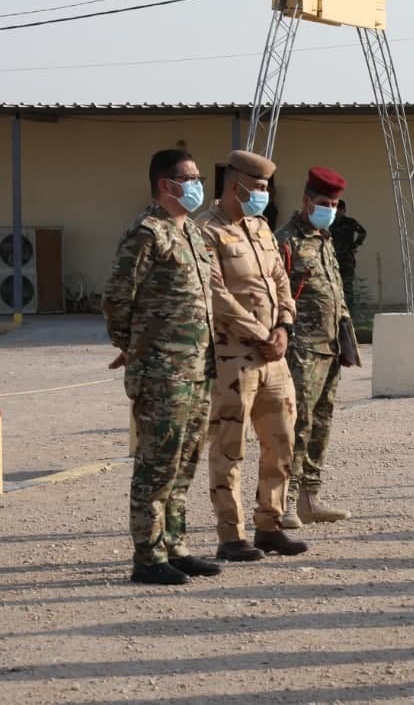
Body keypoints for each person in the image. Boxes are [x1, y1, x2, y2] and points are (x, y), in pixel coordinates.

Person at [102, 148, 221, 585]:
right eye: (191, 179)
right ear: (166, 185)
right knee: (157, 464)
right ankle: (148, 556)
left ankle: (175, 544)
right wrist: (131, 346)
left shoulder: (192, 233)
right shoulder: (147, 233)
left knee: (184, 461)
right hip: (161, 370)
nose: (198, 185)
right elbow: (117, 298)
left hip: (198, 366)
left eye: (198, 177)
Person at [197, 150, 306, 561]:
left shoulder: (261, 228)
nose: (264, 195)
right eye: (258, 187)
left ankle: (270, 526)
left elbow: (280, 280)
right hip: (233, 357)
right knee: (230, 447)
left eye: (266, 188)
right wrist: (261, 333)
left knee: (281, 442)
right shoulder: (206, 231)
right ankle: (230, 536)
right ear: (235, 185)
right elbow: (215, 294)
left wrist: (284, 327)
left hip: (273, 356)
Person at [277, 166, 356, 526]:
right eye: (324, 203)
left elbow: (334, 290)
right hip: (300, 348)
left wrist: (346, 335)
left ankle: (310, 498)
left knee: (321, 423)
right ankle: (285, 501)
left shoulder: (325, 239)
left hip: (330, 345)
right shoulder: (286, 239)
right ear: (307, 201)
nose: (330, 210)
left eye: (335, 205)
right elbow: (275, 294)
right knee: (297, 425)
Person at [331, 199, 367, 314]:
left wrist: (355, 245)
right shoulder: (329, 223)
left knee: (347, 286)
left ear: (344, 210)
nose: (338, 212)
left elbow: (362, 232)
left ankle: (350, 312)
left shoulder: (350, 222)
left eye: (340, 210)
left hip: (347, 259)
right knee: (333, 285)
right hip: (333, 259)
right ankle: (336, 311)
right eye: (336, 209)